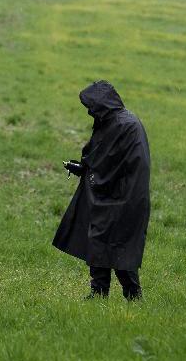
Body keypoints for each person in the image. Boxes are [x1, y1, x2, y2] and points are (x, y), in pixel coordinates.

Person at [53, 80, 151, 300]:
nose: (89, 111)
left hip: (122, 198)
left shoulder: (121, 124)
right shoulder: (118, 121)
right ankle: (99, 292)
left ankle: (132, 294)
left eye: (91, 106)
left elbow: (106, 161)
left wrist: (87, 168)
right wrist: (84, 168)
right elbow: (104, 159)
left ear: (102, 104)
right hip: (117, 194)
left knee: (116, 247)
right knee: (100, 243)